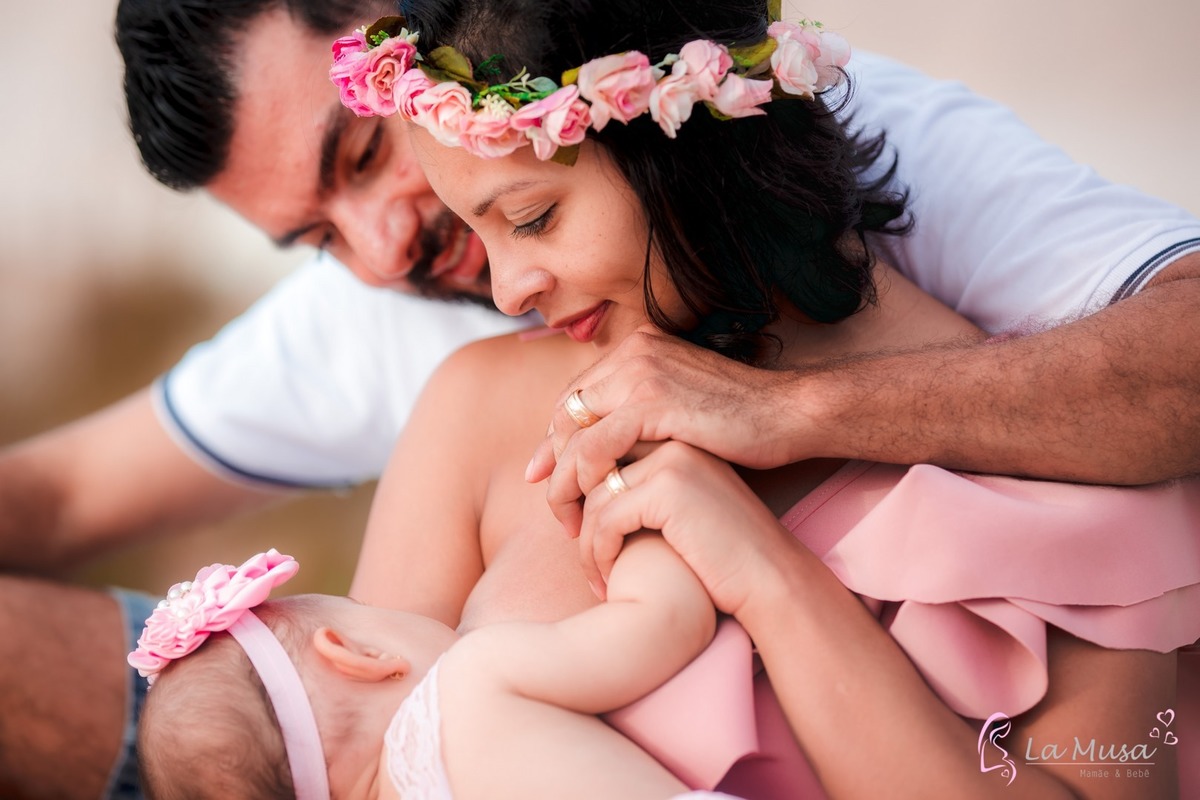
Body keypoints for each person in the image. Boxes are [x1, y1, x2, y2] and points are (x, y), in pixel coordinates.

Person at [0, 0, 1197, 797]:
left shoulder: (1055, 449)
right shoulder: (468, 379)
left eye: (363, 158)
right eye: (316, 237)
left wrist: (766, 547)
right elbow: (369, 759)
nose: (387, 257)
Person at [132, 549, 731, 800]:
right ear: (358, 655)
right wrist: (628, 510)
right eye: (363, 608)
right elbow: (668, 622)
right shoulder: (471, 679)